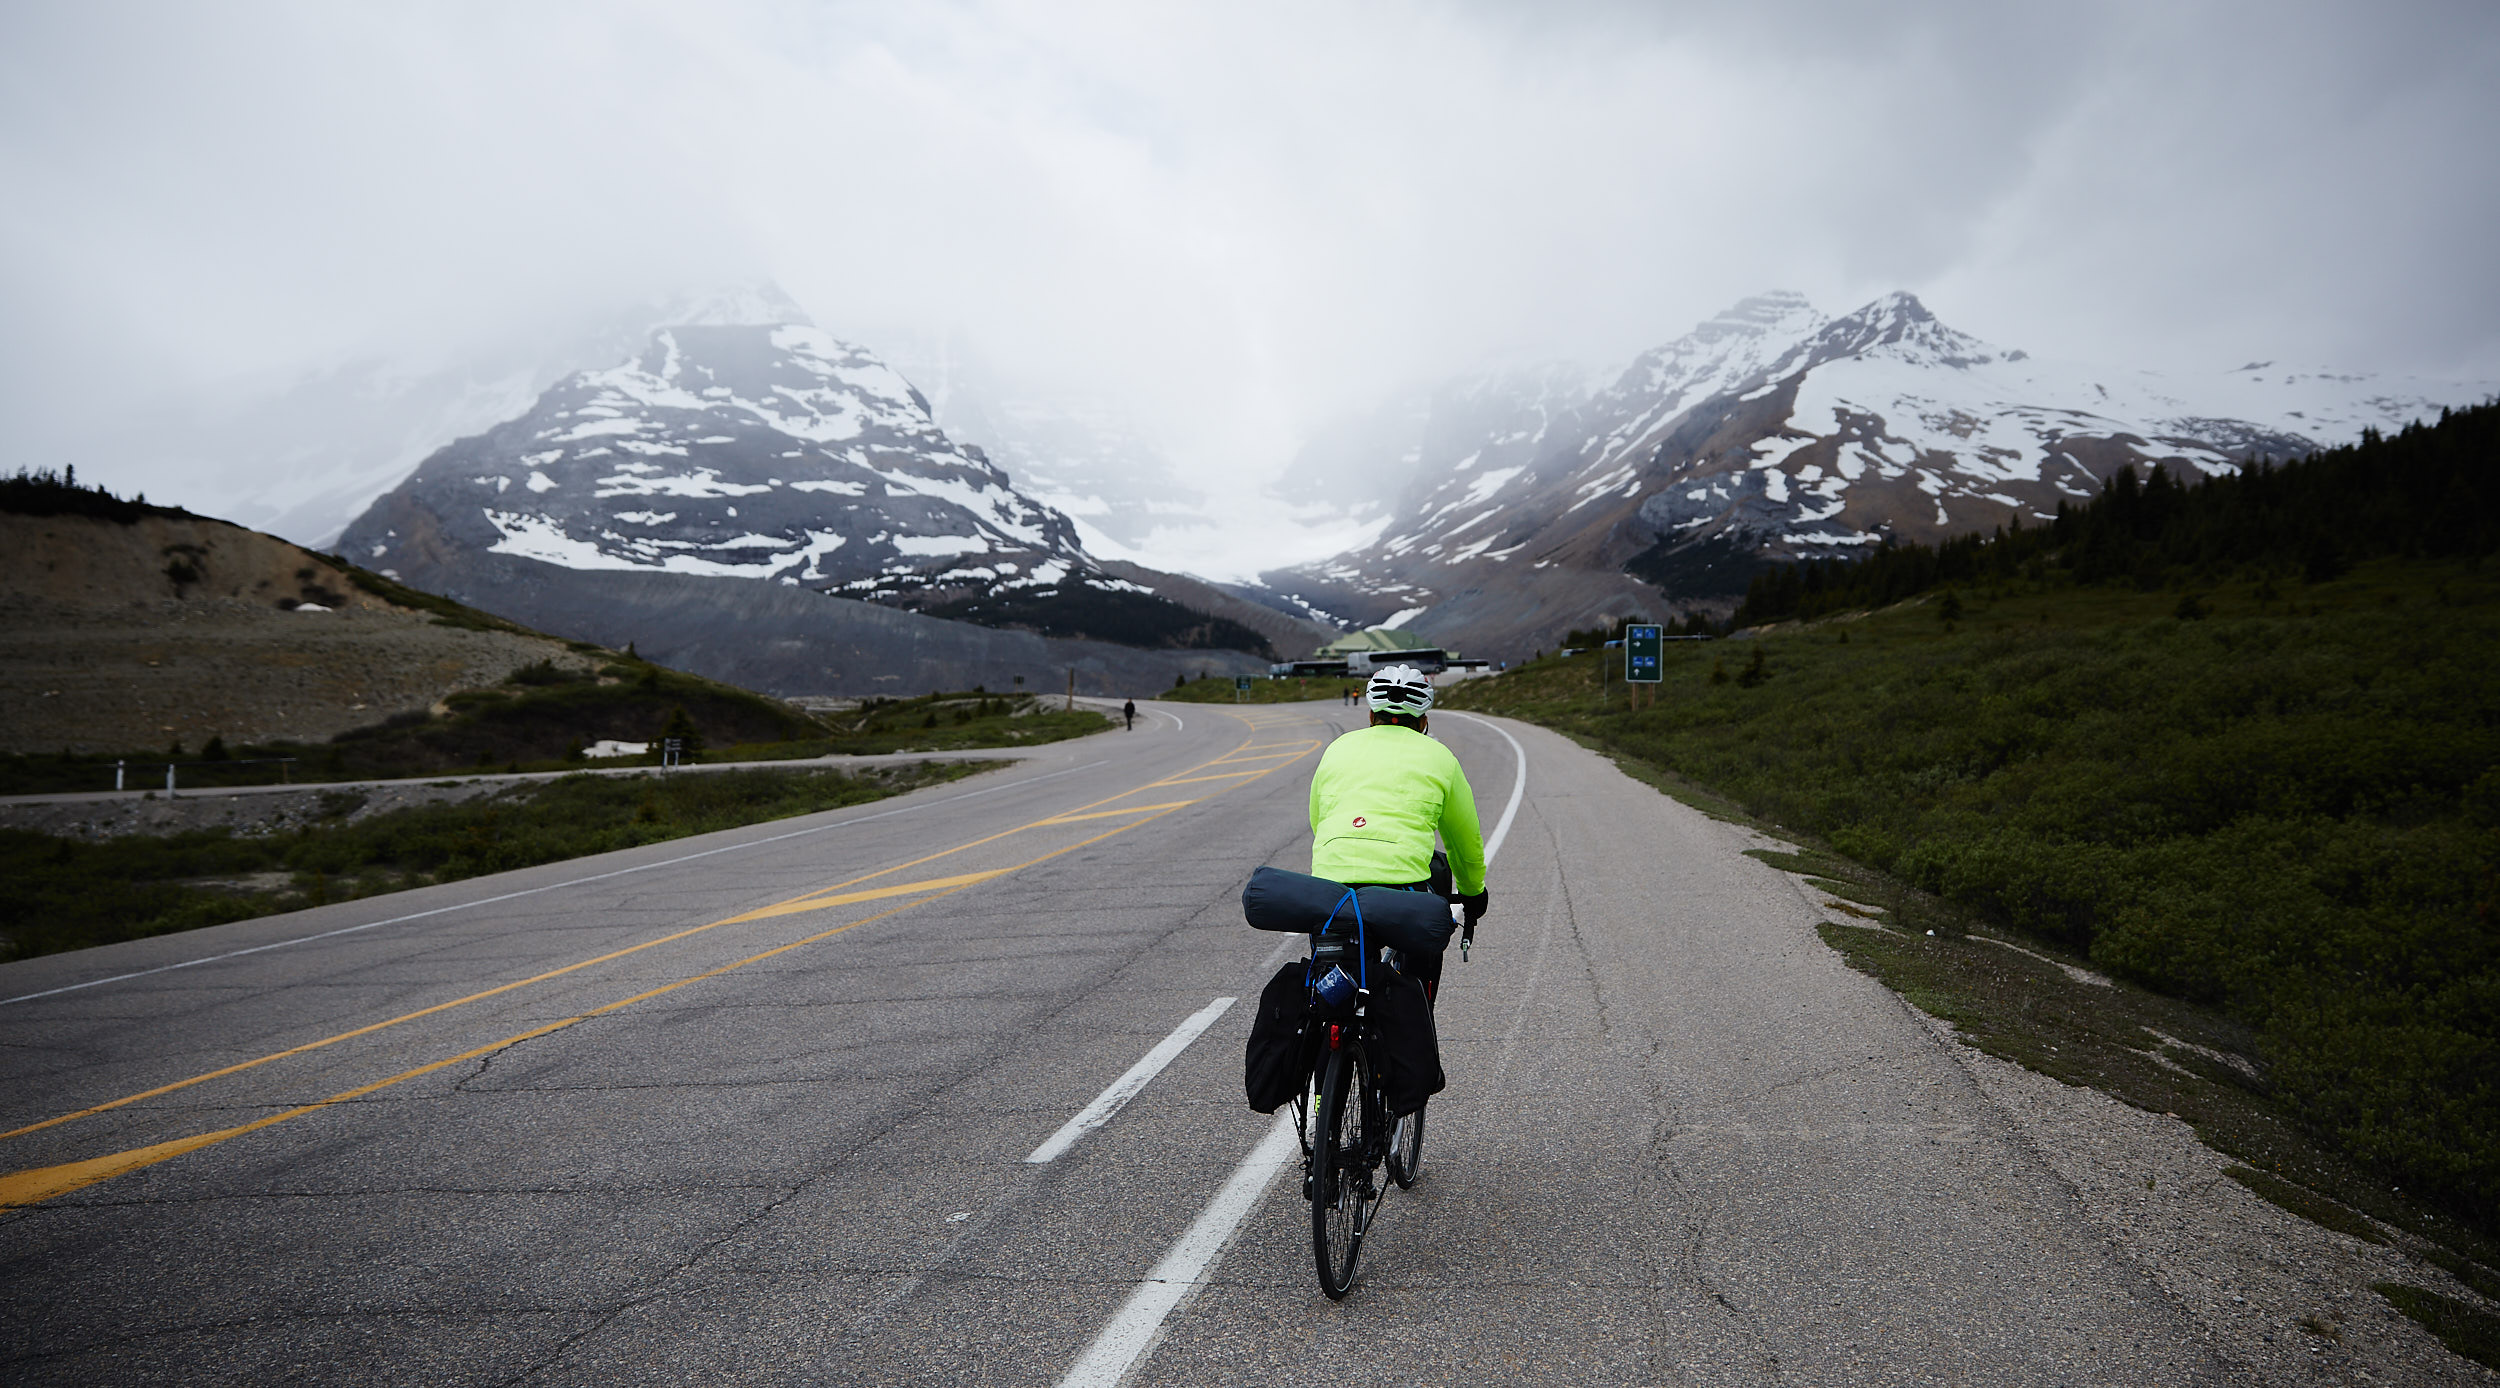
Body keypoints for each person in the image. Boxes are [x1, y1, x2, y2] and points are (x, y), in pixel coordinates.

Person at [1306, 664, 1488, 998]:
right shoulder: (1440, 756)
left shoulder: (1339, 747)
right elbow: (1464, 842)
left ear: (1372, 715)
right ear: (1423, 721)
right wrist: (1474, 893)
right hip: (1402, 890)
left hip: (1330, 890)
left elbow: (1319, 821)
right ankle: (1415, 1012)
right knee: (1417, 976)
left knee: (1327, 983)